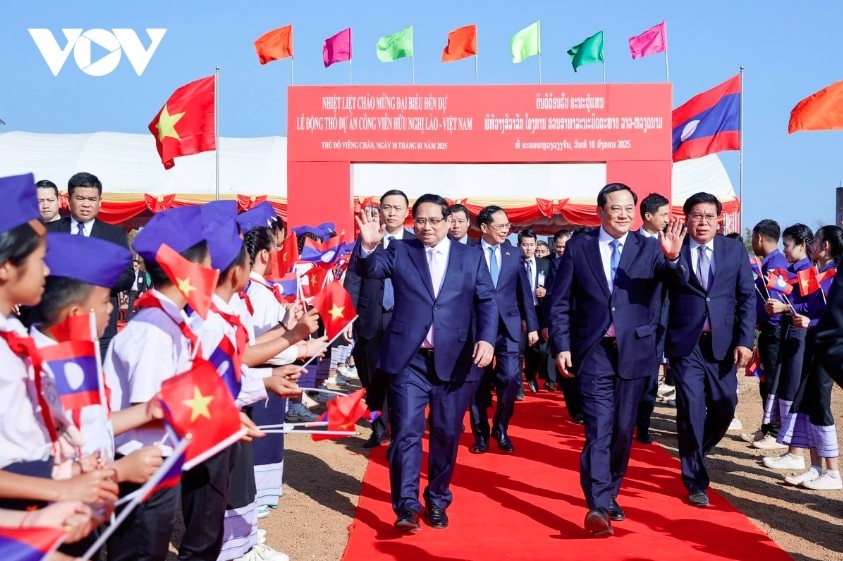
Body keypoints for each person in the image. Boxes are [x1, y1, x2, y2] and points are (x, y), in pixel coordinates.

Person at [354, 193, 497, 532]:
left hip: (456, 359)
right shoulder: (400, 250)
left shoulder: (470, 257)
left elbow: (487, 301)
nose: (426, 226)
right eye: (420, 220)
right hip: (409, 360)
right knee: (405, 432)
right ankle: (405, 506)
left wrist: (488, 339)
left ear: (449, 222)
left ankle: (437, 499)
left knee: (446, 433)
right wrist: (370, 247)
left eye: (434, 220)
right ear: (411, 221)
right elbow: (371, 270)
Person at [548, 183, 683, 537]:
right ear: (600, 212)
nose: (623, 215)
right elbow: (559, 301)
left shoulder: (650, 248)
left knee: (623, 432)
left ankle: (610, 493)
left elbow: (677, 284)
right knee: (598, 431)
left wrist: (671, 259)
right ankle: (597, 505)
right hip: (592, 352)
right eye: (616, 208)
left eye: (629, 209)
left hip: (635, 353)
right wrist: (561, 344)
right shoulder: (579, 247)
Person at [665, 192, 755, 508]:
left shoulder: (733, 250)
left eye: (708, 216)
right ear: (686, 219)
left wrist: (746, 340)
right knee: (690, 408)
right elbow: (663, 289)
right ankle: (695, 482)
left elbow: (746, 298)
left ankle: (696, 452)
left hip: (722, 344)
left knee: (724, 405)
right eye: (696, 216)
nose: (702, 222)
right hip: (685, 344)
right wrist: (672, 259)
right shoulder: (672, 248)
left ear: (719, 219)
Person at [345, 189, 413, 448]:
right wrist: (349, 317)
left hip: (403, 320)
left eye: (398, 207)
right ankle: (377, 428)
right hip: (370, 317)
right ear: (380, 210)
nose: (392, 212)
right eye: (387, 207)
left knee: (402, 378)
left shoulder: (415, 243)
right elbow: (353, 280)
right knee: (371, 379)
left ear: (406, 212)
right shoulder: (364, 241)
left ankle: (400, 429)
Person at [469, 208, 537, 455]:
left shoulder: (513, 253)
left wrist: (533, 325)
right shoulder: (468, 253)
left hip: (508, 326)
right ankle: (480, 434)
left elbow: (524, 292)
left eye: (507, 225)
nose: (505, 230)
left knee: (509, 379)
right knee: (477, 384)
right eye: (500, 225)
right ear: (484, 227)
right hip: (477, 328)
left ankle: (501, 427)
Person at [45, 172, 134, 357]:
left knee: (98, 384)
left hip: (99, 330)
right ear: (68, 200)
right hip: (55, 326)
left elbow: (127, 275)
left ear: (100, 201)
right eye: (80, 198)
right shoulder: (49, 233)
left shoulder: (114, 235)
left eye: (92, 199)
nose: (86, 204)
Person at [785, 225, 843, 489]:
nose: (812, 246)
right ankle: (816, 466)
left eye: (816, 241)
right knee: (808, 401)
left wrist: (812, 322)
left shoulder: (834, 275)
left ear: (827, 246)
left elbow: (834, 318)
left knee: (820, 402)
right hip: (814, 343)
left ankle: (833, 470)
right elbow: (807, 304)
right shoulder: (817, 273)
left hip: (827, 347)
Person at [760, 224, 814, 471]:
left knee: (793, 389)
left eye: (788, 244)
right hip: (788, 334)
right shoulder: (792, 269)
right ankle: (791, 448)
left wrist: (785, 308)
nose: (785, 249)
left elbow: (813, 306)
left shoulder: (807, 270)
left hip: (798, 336)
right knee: (785, 388)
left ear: (802, 246)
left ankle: (795, 451)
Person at [742, 219, 789, 449]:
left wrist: (767, 320)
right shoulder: (766, 263)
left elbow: (779, 300)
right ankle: (767, 425)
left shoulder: (776, 265)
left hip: (776, 330)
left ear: (759, 238)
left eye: (753, 238)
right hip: (767, 330)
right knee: (765, 380)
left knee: (773, 381)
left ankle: (776, 431)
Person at [633, 193, 671, 444]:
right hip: (633, 320)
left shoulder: (671, 243)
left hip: (661, 321)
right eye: (664, 214)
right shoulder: (628, 242)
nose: (668, 219)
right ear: (648, 216)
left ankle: (643, 425)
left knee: (650, 377)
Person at [518, 229, 552, 393]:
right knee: (518, 349)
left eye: (532, 244)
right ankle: (517, 387)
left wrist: (546, 292)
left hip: (539, 311)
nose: (529, 248)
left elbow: (554, 287)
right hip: (518, 313)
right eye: (525, 245)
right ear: (519, 245)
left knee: (541, 350)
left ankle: (530, 374)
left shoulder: (545, 264)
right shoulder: (513, 263)